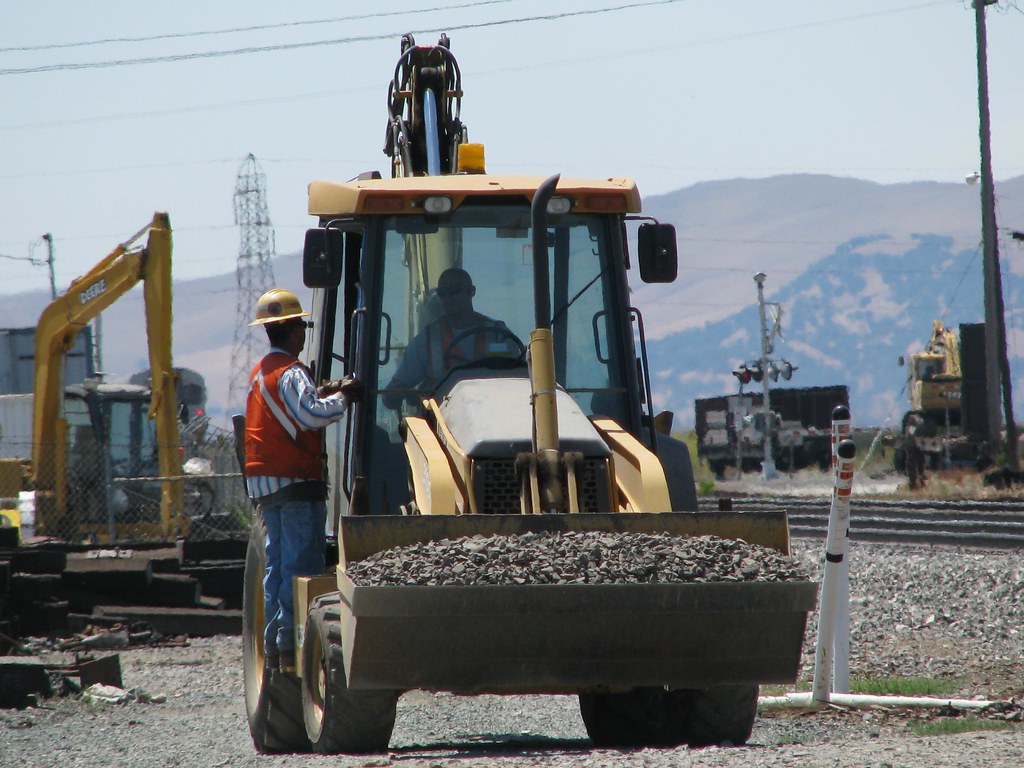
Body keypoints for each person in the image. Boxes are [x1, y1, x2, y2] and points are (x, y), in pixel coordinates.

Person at [244, 288, 362, 673]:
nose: (304, 333)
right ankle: (293, 649)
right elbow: (310, 414)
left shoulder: (262, 372)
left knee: (277, 569)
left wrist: (324, 389)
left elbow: (292, 407)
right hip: (296, 482)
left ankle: (276, 651)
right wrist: (344, 397)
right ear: (295, 331)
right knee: (301, 567)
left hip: (268, 485)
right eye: (302, 326)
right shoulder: (293, 372)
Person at [384, 268, 519, 407]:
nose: (449, 298)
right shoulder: (428, 340)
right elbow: (396, 389)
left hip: (490, 415)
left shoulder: (498, 335)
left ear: (471, 291)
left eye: (455, 291)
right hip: (441, 421)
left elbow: (518, 376)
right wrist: (396, 393)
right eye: (443, 293)